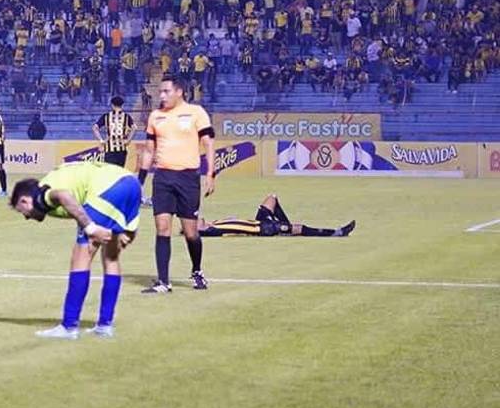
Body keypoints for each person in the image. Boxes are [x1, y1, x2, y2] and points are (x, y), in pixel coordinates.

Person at [8, 161, 142, 339]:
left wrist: (90, 228)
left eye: (22, 211)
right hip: (131, 183)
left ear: (24, 200)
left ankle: (69, 326)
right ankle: (105, 325)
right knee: (111, 257)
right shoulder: (56, 180)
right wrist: (128, 233)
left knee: (81, 256)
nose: (26, 217)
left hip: (107, 188)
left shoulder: (41, 195)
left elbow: (63, 195)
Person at [137, 76, 214, 294]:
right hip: (163, 178)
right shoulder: (155, 116)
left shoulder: (196, 112)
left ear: (179, 92)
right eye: (160, 91)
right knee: (162, 228)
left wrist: (210, 173)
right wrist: (139, 181)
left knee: (190, 232)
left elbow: (208, 144)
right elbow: (149, 151)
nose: (161, 95)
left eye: (166, 91)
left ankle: (197, 271)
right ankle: (163, 281)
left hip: (188, 178)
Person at [200, 194, 355, 238]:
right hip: (263, 229)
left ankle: (286, 227)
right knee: (301, 228)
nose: (198, 219)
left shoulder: (215, 223)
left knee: (271, 198)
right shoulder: (214, 230)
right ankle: (337, 232)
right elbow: (195, 232)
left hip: (258, 222)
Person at [93, 96, 135, 168]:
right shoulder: (126, 117)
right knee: (119, 171)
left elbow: (95, 128)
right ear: (122, 105)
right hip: (122, 149)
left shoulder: (106, 116)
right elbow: (134, 128)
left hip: (110, 149)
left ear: (112, 105)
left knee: (110, 171)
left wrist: (101, 140)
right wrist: (128, 140)